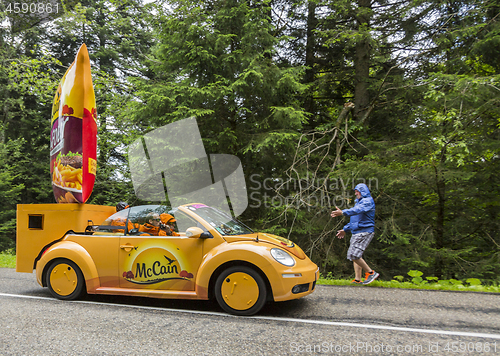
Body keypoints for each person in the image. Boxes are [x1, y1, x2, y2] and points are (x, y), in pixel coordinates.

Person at [331, 183, 379, 285]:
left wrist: (343, 212)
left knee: (354, 255)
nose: (356, 193)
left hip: (365, 232)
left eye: (357, 191)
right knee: (356, 256)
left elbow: (357, 210)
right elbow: (355, 220)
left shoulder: (367, 202)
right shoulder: (359, 203)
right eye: (355, 191)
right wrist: (345, 229)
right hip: (357, 232)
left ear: (363, 191)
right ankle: (358, 279)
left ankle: (371, 273)